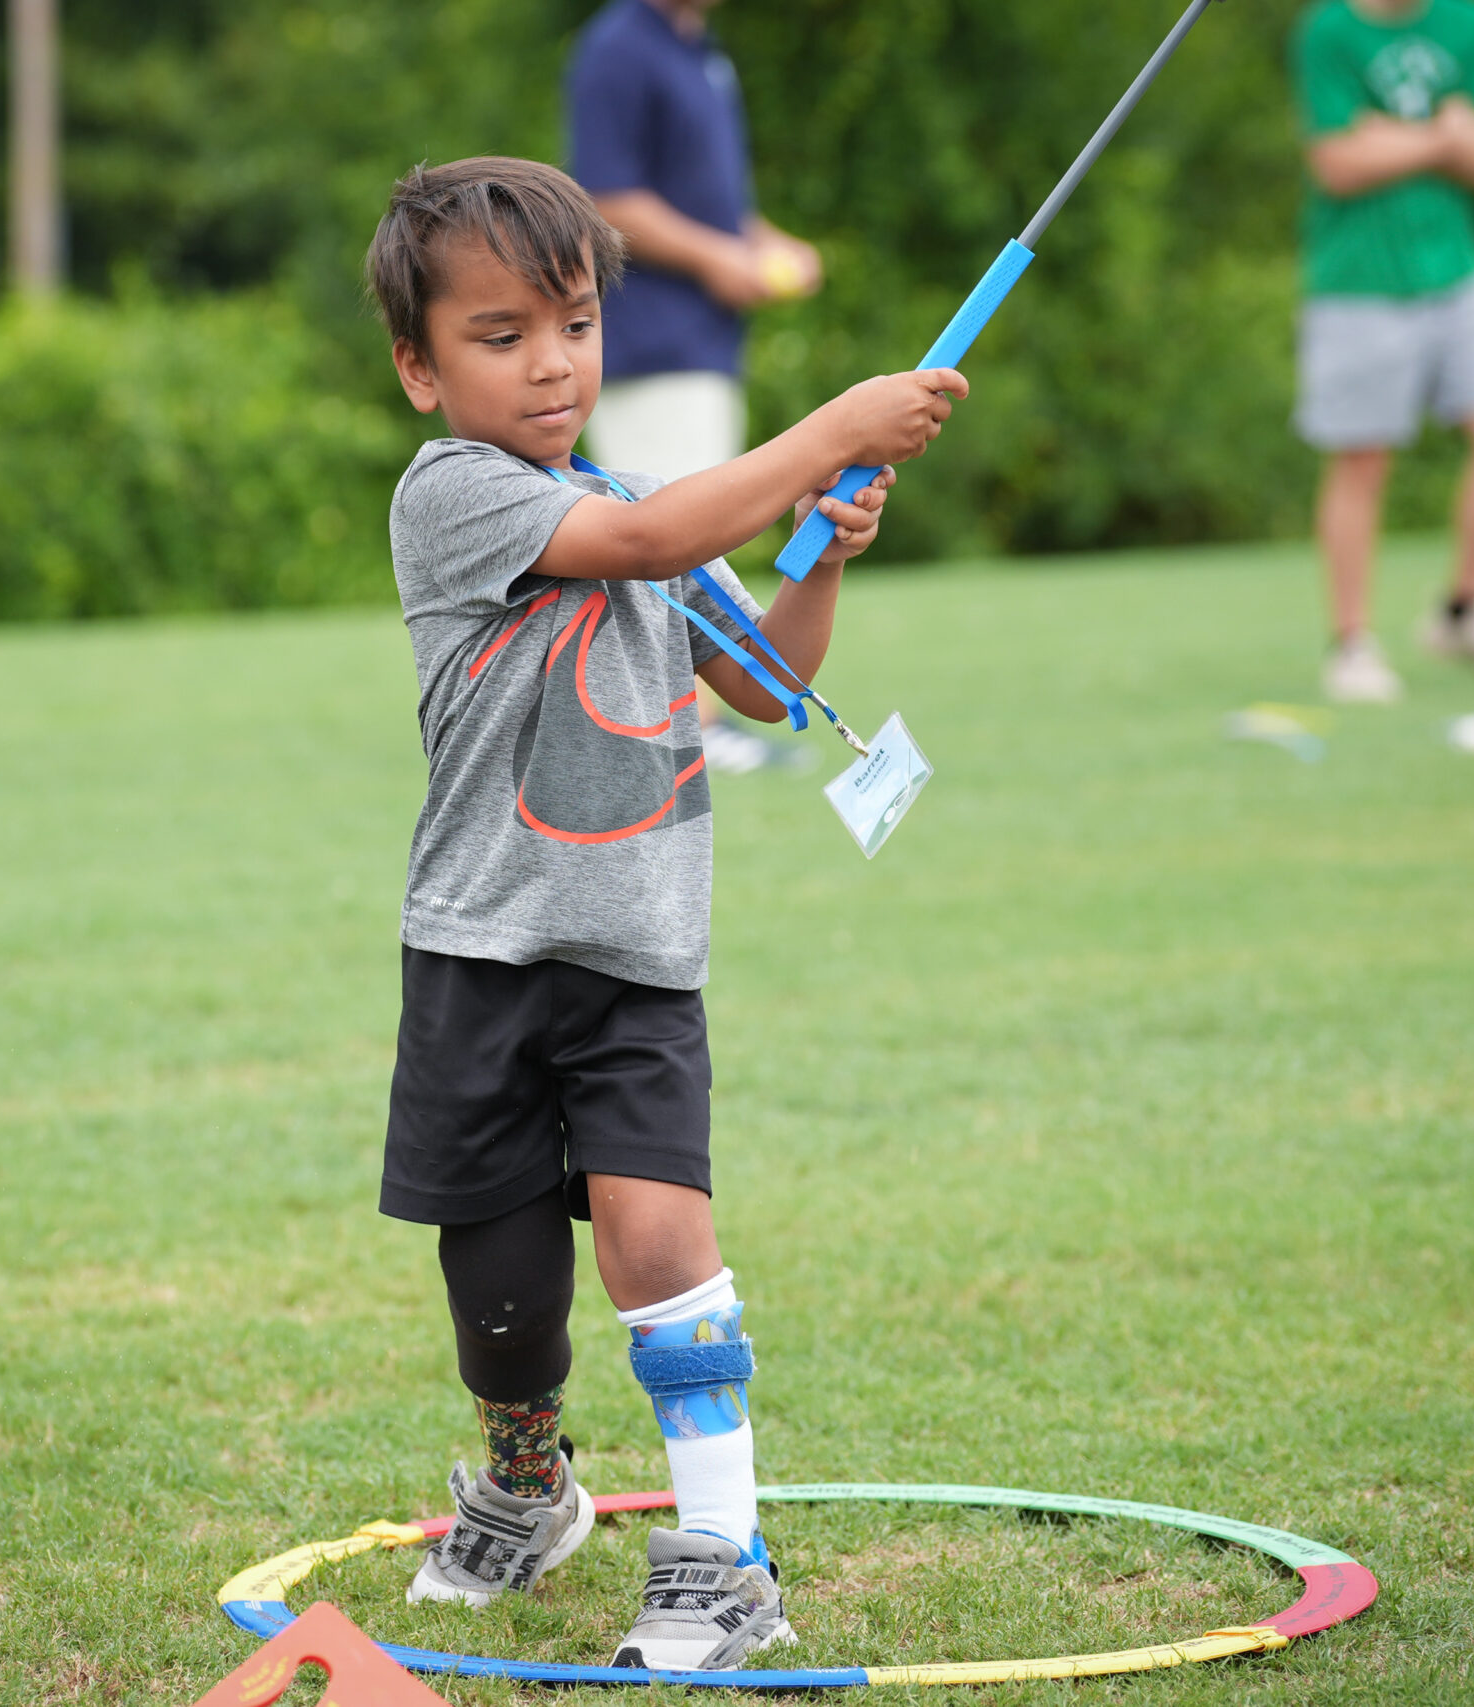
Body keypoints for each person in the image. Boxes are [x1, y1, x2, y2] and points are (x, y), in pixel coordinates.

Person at [363, 156, 963, 1670]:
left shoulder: (641, 500)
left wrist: (818, 546)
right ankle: (527, 1476)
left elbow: (760, 679)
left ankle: (723, 1556)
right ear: (420, 368)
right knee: (504, 1304)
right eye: (500, 335)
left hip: (635, 957)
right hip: (480, 954)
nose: (551, 361)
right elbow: (643, 545)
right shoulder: (453, 496)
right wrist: (827, 426)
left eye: (572, 323)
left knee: (658, 1234)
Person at [566, 0, 825, 774]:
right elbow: (606, 196)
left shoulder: (701, 48)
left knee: (701, 538)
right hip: (649, 343)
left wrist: (758, 243)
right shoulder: (618, 47)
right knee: (671, 536)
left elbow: (709, 198)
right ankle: (693, 731)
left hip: (706, 343)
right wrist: (718, 258)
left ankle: (695, 725)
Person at [1289, 0, 1474, 704]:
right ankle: (1351, 645)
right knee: (1362, 458)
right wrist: (1443, 133)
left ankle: (1464, 613)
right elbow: (1339, 164)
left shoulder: (1470, 21)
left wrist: (1392, 138)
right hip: (1357, 280)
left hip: (1460, 268)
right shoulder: (1328, 30)